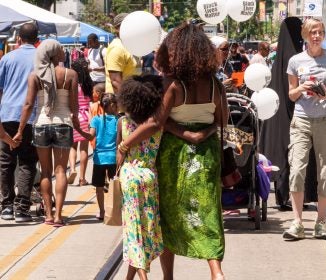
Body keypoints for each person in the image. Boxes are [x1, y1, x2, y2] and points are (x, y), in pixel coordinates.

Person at [116, 22, 229, 280]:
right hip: (206, 157)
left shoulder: (174, 85)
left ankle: (169, 277)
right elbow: (222, 121)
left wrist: (125, 144)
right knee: (208, 213)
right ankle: (216, 271)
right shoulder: (215, 85)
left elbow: (156, 121)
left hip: (174, 158)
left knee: (167, 217)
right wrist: (203, 133)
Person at [283, 18, 326, 240]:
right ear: (305, 34)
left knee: (325, 173)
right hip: (301, 120)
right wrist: (302, 87)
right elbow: (291, 94)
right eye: (313, 32)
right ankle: (298, 223)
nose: (317, 36)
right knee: (297, 171)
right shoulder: (295, 61)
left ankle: (321, 222)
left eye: (320, 32)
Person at [14, 39, 79, 227]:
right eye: (61, 50)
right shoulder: (70, 75)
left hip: (41, 124)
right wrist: (81, 129)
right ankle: (59, 216)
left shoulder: (35, 76)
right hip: (63, 124)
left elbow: (28, 105)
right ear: (56, 54)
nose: (63, 53)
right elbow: (73, 108)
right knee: (61, 171)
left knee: (45, 172)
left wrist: (20, 131)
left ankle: (48, 215)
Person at [116, 74, 164, 280]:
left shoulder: (123, 123)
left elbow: (118, 156)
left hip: (130, 176)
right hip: (150, 176)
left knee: (133, 233)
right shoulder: (157, 125)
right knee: (148, 229)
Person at [259, 17, 304, 210]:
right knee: (292, 153)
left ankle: (282, 196)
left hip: (276, 113)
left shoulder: (281, 58)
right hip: (292, 112)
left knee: (282, 152)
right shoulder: (295, 55)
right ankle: (289, 197)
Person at [0, 23, 39, 222]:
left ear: (19, 39)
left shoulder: (7, 58)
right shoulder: (41, 59)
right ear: (37, 38)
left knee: (6, 162)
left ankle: (6, 207)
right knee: (27, 161)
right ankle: (22, 208)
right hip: (31, 116)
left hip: (6, 114)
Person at [76, 93, 118, 220]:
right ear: (112, 105)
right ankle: (116, 211)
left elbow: (90, 136)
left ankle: (101, 211)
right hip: (114, 158)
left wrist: (79, 129)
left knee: (99, 188)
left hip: (99, 159)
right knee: (115, 187)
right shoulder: (119, 120)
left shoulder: (96, 119)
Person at [68, 57, 93, 186]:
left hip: (75, 117)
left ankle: (72, 169)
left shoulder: (73, 85)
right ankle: (82, 178)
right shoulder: (89, 84)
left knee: (72, 146)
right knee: (84, 149)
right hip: (86, 117)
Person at [105, 13, 137, 94]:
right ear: (117, 29)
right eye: (127, 24)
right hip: (122, 103)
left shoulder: (130, 46)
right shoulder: (117, 48)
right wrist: (131, 103)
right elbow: (116, 82)